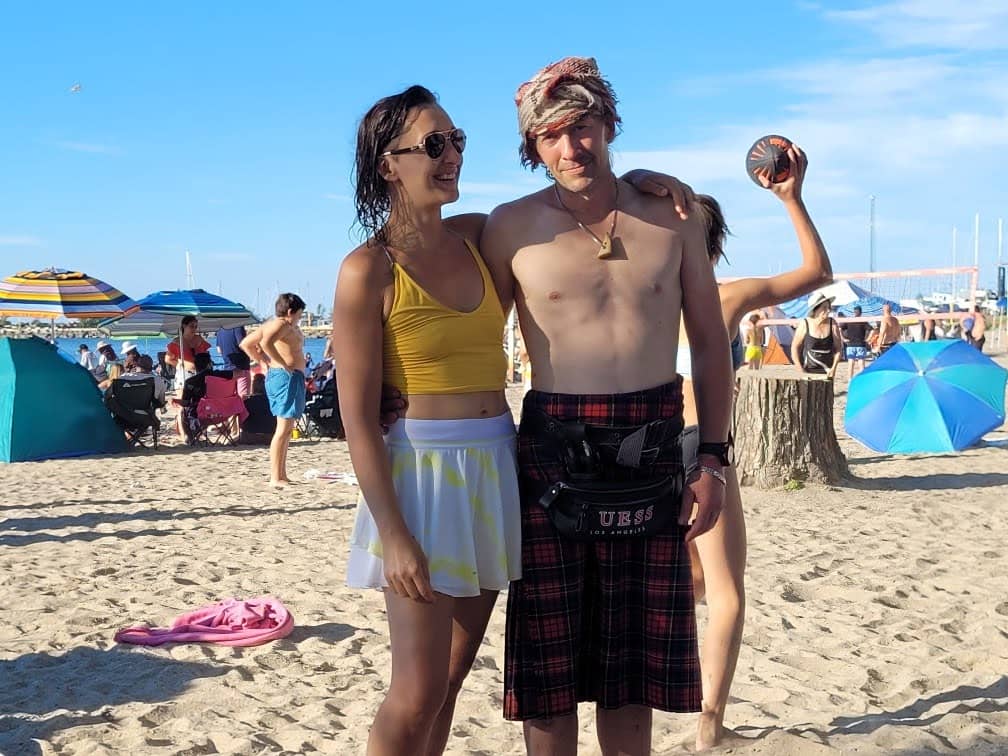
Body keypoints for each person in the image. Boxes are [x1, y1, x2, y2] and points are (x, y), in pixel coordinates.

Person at [478, 58, 734, 756]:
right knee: (548, 674)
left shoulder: (676, 216)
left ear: (609, 124)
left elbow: (710, 346)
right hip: (551, 447)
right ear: (531, 148)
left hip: (652, 441)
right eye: (551, 135)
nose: (570, 148)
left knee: (632, 677)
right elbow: (464, 336)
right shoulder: (509, 228)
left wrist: (714, 457)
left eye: (583, 127)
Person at [332, 85, 524, 756]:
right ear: (389, 164)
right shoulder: (368, 270)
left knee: (450, 678)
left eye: (457, 140)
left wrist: (648, 178)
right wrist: (394, 534)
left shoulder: (479, 235)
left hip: (496, 465)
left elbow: (561, 209)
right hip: (422, 478)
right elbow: (357, 418)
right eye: (433, 144)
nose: (452, 157)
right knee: (413, 692)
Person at [674, 150, 831, 749]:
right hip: (701, 452)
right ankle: (710, 723)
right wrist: (791, 197)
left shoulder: (641, 297)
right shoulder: (723, 295)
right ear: (713, 249)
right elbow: (817, 272)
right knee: (728, 593)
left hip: (643, 448)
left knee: (687, 580)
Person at [240, 293, 307, 486]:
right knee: (283, 428)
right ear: (290, 311)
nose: (300, 318)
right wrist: (275, 362)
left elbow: (246, 343)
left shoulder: (275, 324)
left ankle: (281, 474)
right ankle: (275, 477)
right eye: (299, 314)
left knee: (287, 429)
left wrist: (262, 361)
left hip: (291, 376)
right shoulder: (280, 324)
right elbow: (265, 343)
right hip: (285, 377)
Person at [237, 373, 276, 445]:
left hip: (249, 437)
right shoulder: (274, 401)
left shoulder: (247, 402)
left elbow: (241, 421)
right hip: (270, 437)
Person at [216, 324, 252, 397]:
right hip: (241, 367)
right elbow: (242, 345)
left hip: (228, 370)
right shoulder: (237, 326)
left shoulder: (220, 330)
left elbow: (219, 350)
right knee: (243, 399)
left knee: (230, 397)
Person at [842, 305, 871, 379]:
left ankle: (849, 380)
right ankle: (861, 380)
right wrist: (868, 339)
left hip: (850, 344)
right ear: (861, 312)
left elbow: (839, 329)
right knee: (861, 363)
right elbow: (872, 330)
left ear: (854, 312)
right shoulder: (863, 321)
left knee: (850, 363)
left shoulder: (850, 320)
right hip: (860, 344)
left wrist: (843, 339)